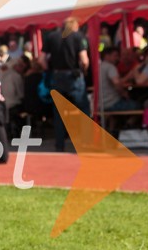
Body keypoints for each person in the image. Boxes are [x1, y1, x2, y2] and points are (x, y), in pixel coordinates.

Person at [40, 17, 90, 152]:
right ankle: (85, 143)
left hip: (57, 76)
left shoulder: (51, 37)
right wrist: (83, 71)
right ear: (74, 26)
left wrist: (48, 70)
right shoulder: (78, 37)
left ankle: (59, 144)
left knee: (59, 112)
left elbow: (42, 59)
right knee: (83, 109)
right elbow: (84, 60)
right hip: (74, 75)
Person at [98, 47, 138, 112]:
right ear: (107, 56)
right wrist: (124, 93)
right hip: (112, 103)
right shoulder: (110, 67)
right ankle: (131, 122)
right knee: (139, 105)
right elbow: (117, 83)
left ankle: (117, 121)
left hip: (100, 104)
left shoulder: (99, 67)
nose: (117, 58)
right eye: (115, 56)